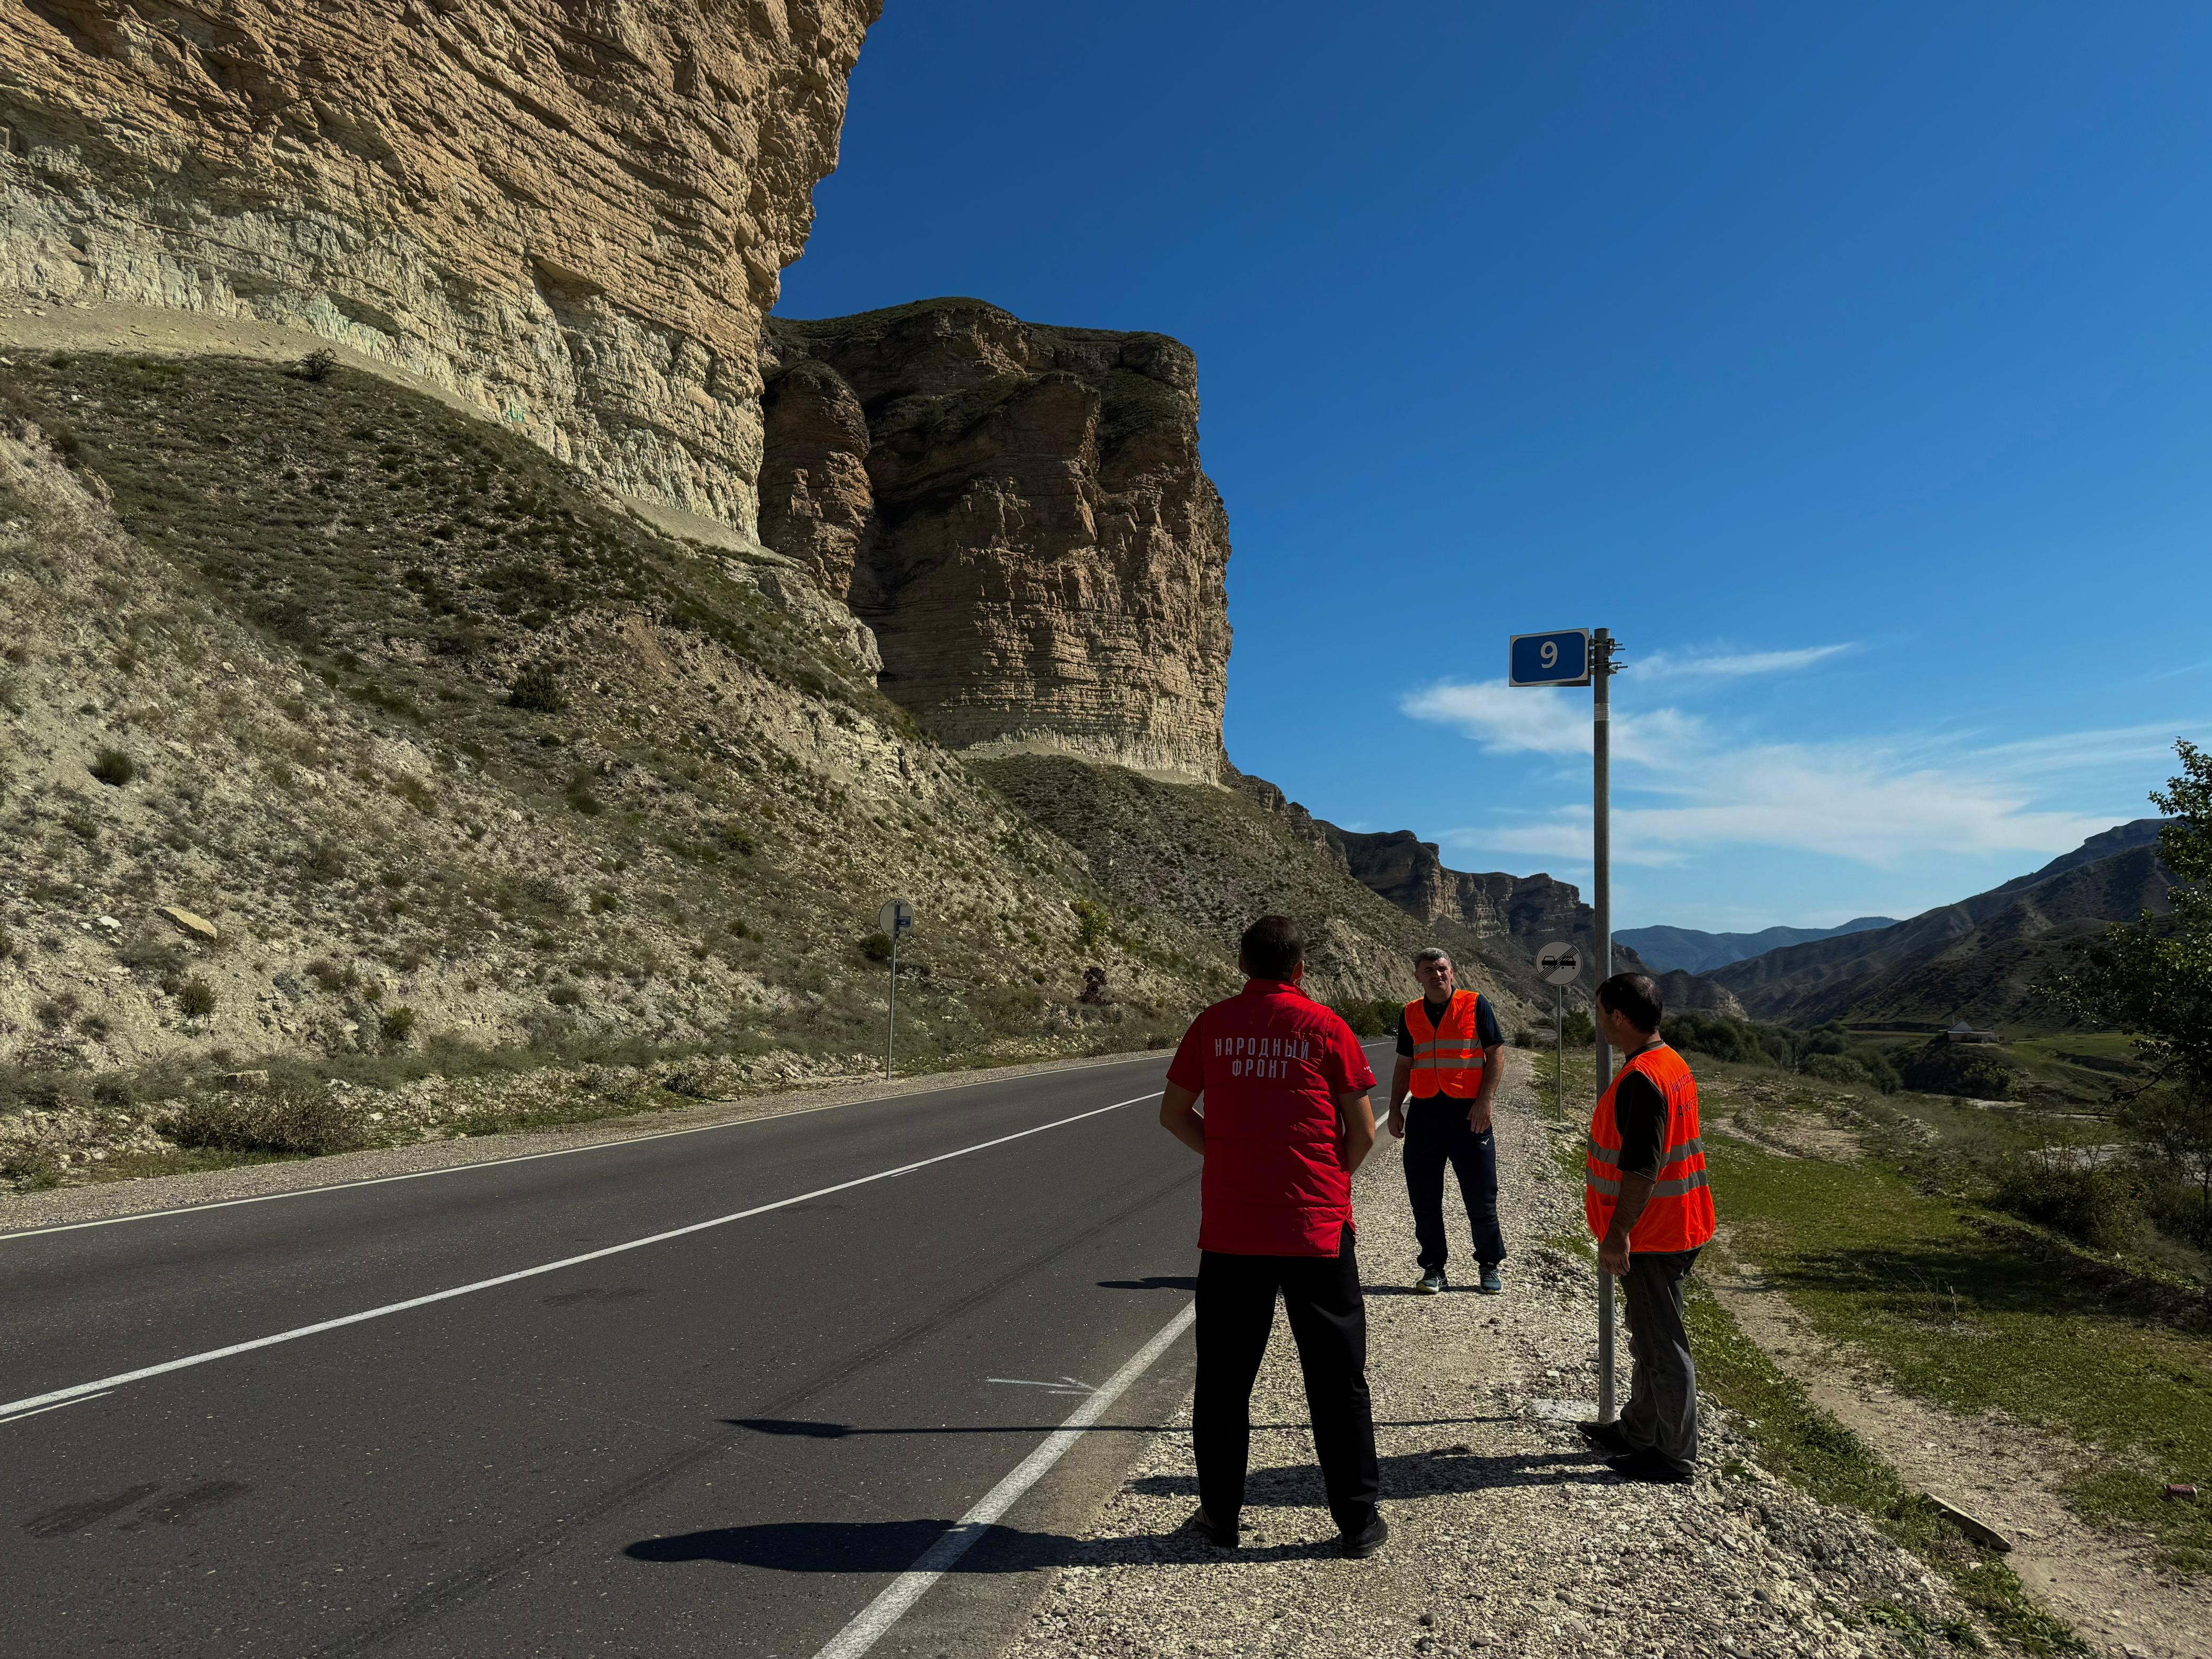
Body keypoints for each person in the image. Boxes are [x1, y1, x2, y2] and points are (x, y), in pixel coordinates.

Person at [1159, 915, 1388, 1559]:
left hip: (1232, 1234)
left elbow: (1173, 1114)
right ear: (1300, 969)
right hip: (1315, 1231)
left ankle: (1220, 1519)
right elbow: (1364, 1132)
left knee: (1225, 1380)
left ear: (1241, 965)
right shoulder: (1326, 1028)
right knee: (1337, 1378)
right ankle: (1356, 1522)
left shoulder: (1212, 1024)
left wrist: (1225, 1159)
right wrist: (1322, 1181)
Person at [1578, 971, 1717, 1485]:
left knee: (1662, 1345)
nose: (1600, 1024)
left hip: (1655, 1234)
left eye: (1601, 1013)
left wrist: (1617, 1236)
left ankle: (1675, 1456)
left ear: (1618, 1016)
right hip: (1680, 1222)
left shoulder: (1642, 1078)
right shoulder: (1669, 1061)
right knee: (1650, 1337)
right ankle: (1638, 1430)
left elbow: (1641, 1169)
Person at [1385, 947, 1506, 1295]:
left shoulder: (1475, 1004)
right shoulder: (1410, 1013)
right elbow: (1404, 1064)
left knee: (1481, 1196)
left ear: (1452, 972)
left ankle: (1489, 1263)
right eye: (1428, 970)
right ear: (1417, 977)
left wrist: (1485, 1101)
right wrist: (1396, 1109)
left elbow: (1496, 1051)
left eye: (1441, 969)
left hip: (1470, 1115)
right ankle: (1433, 1268)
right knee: (1424, 1199)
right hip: (1425, 1116)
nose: (1435, 975)